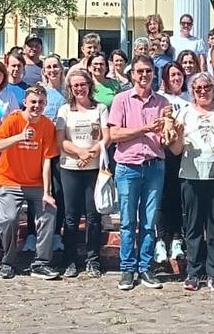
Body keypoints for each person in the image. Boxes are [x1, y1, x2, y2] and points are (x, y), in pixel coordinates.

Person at [168, 72, 214, 292]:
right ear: (192, 92)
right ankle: (193, 272)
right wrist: (177, 135)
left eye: (206, 87)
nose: (202, 92)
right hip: (191, 175)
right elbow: (176, 149)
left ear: (213, 90)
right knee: (193, 226)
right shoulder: (184, 113)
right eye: (198, 89)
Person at [109, 56, 170, 291]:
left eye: (148, 71)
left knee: (149, 221)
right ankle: (127, 269)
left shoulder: (162, 102)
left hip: (154, 166)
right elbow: (114, 135)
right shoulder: (121, 100)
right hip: (128, 167)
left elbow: (166, 136)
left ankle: (145, 267)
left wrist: (170, 133)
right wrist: (144, 129)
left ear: (154, 73)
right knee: (127, 221)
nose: (144, 75)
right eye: (139, 71)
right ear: (132, 74)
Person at [0, 86, 60, 280]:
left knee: (48, 212)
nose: (37, 106)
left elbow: (47, 160)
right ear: (25, 103)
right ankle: (8, 261)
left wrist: (47, 192)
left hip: (35, 182)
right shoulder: (13, 120)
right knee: (9, 219)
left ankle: (41, 263)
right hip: (9, 180)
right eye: (33, 102)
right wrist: (20, 137)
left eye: (41, 102)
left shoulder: (47, 126)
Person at [57, 69, 108, 278]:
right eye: (75, 85)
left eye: (82, 84)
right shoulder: (64, 110)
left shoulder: (100, 108)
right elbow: (61, 140)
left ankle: (93, 260)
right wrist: (80, 152)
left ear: (89, 85)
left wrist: (91, 153)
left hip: (93, 169)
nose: (79, 88)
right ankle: (69, 260)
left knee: (93, 217)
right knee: (70, 217)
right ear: (70, 88)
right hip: (70, 167)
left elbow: (107, 137)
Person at [154, 62, 190, 264]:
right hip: (163, 152)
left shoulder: (189, 99)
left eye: (179, 74)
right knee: (161, 197)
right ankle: (160, 239)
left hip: (183, 153)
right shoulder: (161, 99)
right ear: (165, 78)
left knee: (178, 197)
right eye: (172, 75)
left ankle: (176, 238)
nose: (176, 78)